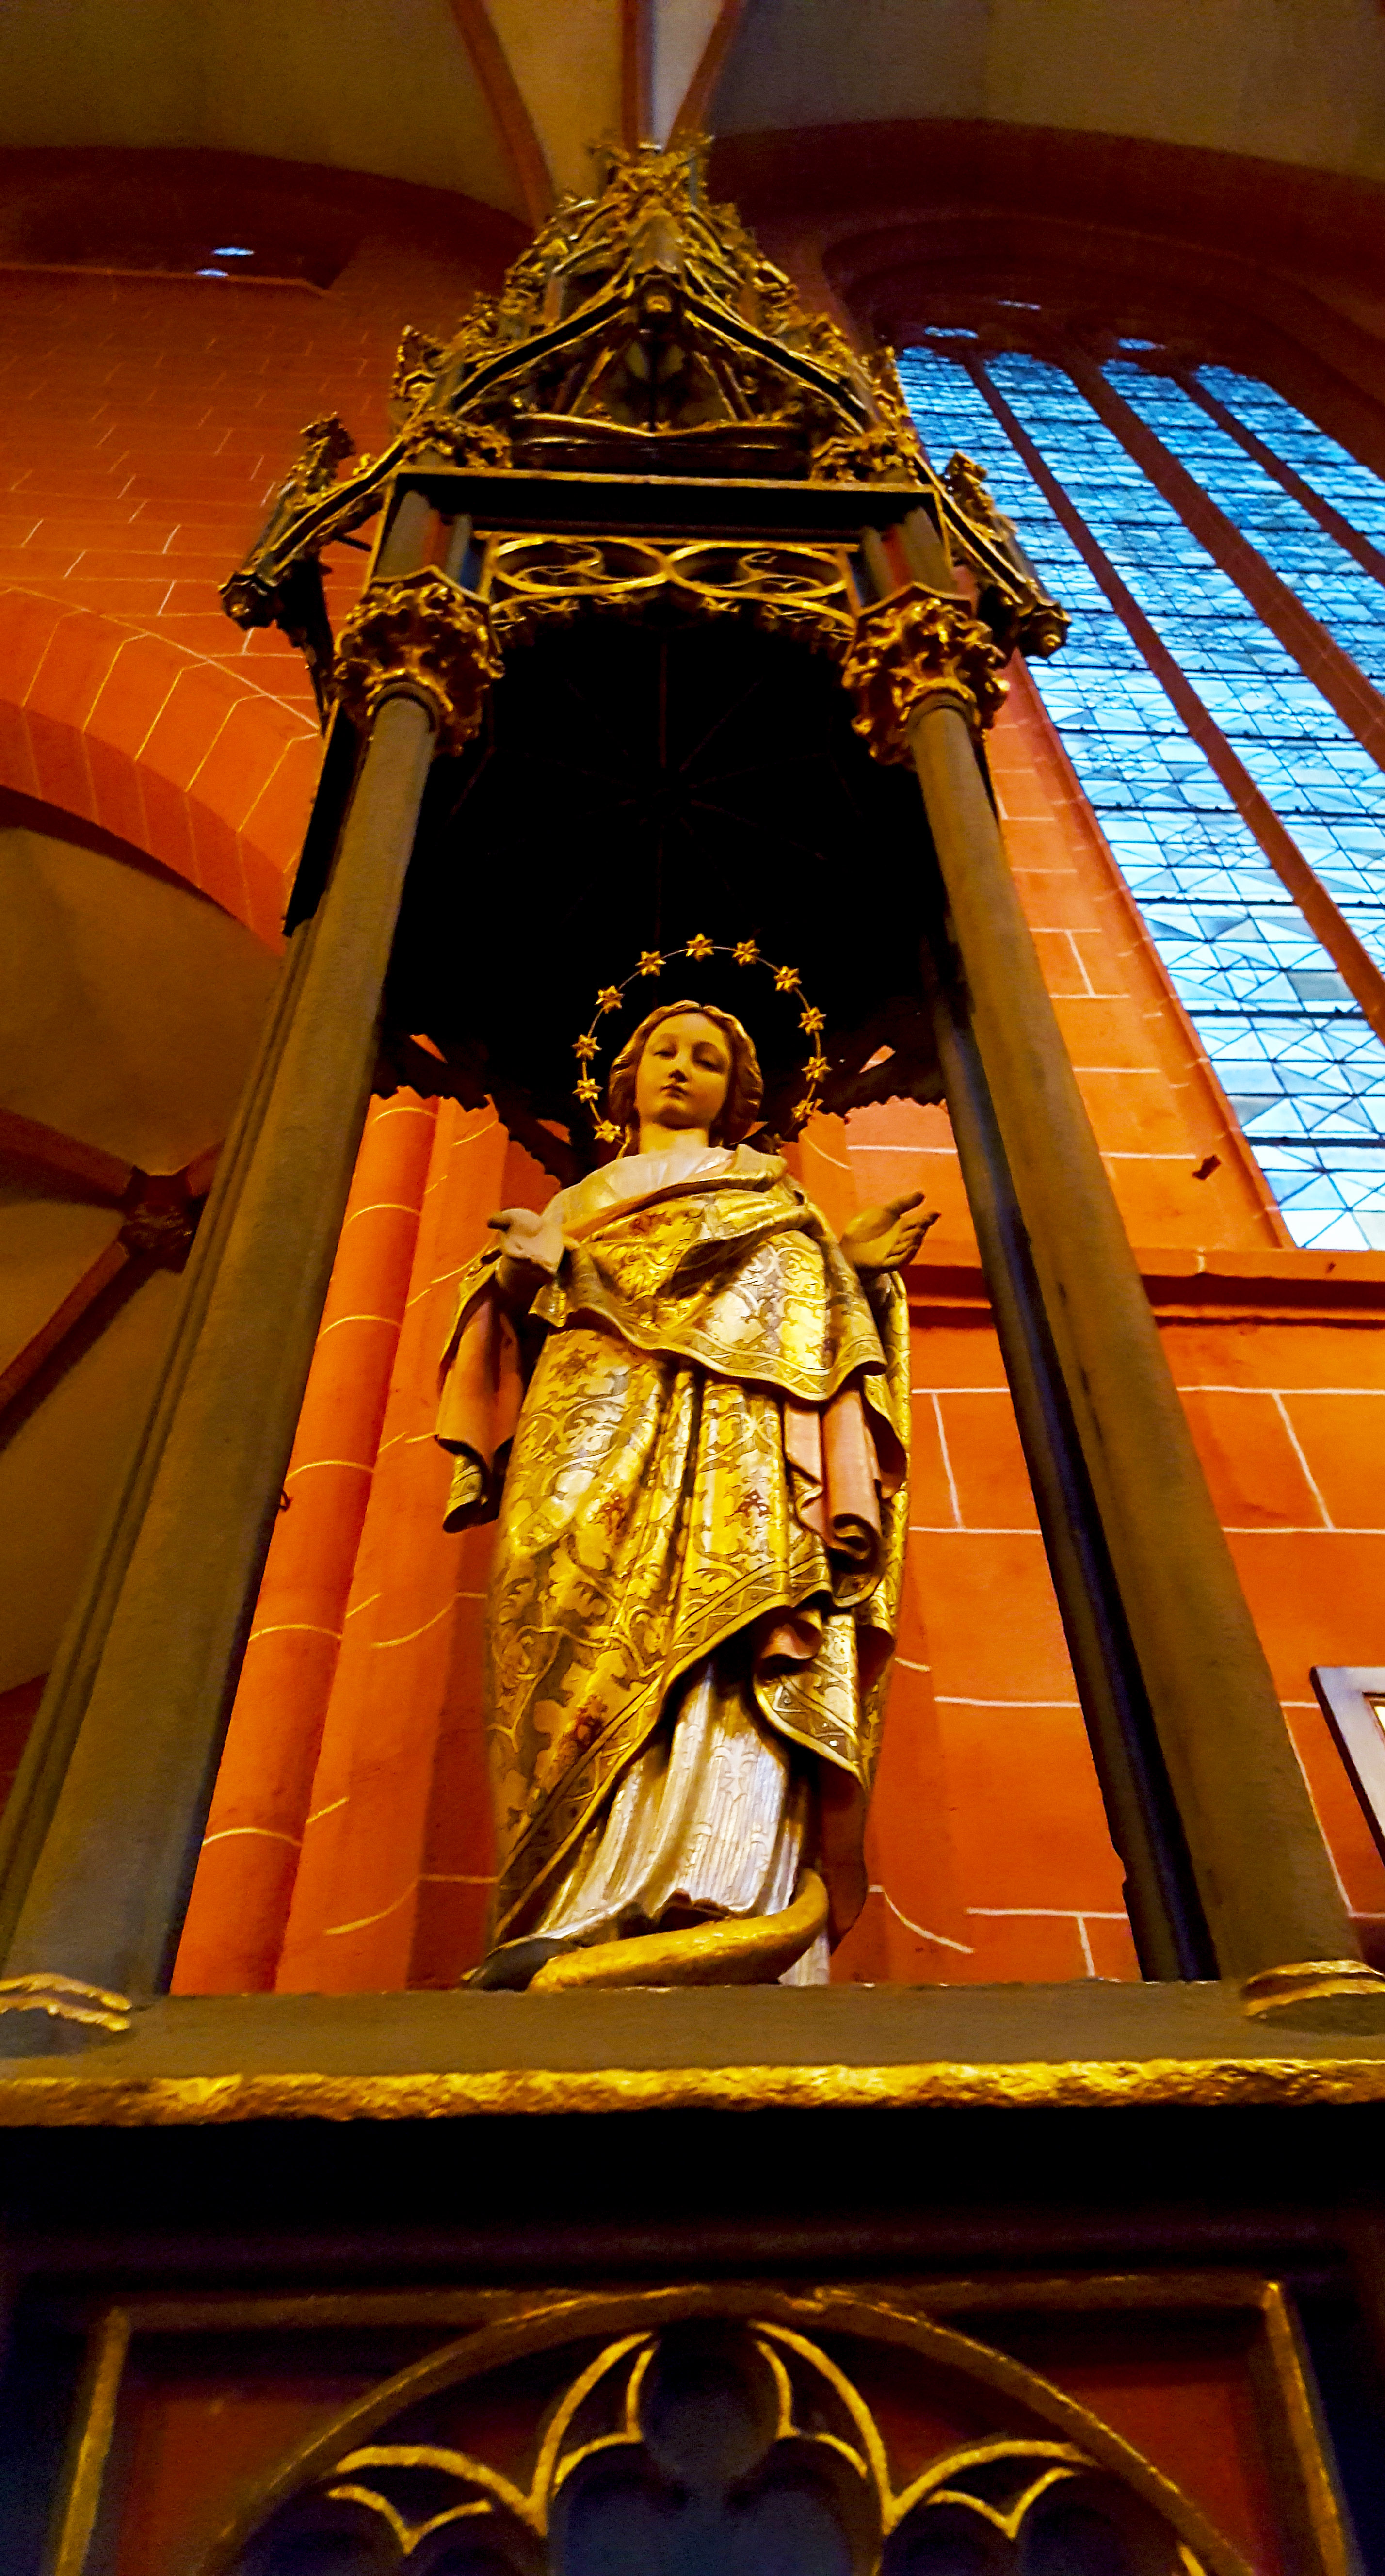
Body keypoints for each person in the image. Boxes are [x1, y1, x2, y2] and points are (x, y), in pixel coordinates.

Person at [436, 999, 932, 1989]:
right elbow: (512, 1328)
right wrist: (521, 1277)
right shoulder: (576, 1204)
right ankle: (567, 1902)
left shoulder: (775, 1201)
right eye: (664, 1051)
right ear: (624, 1079)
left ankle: (721, 1879)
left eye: (707, 1059)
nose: (680, 1069)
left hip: (730, 1445)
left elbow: (810, 1336)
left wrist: (851, 1275)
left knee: (727, 1627)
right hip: (586, 1424)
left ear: (737, 1095)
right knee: (555, 1620)